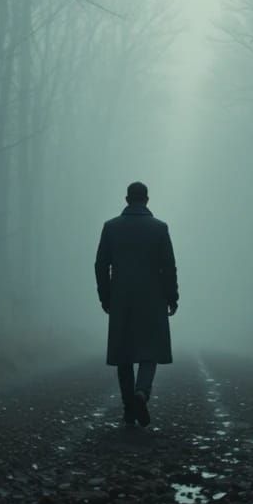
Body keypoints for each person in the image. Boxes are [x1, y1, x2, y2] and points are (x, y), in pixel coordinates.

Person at [94, 181, 179, 427]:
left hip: (122, 298)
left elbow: (101, 265)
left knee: (124, 353)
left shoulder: (111, 228)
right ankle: (141, 393)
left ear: (127, 199)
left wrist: (106, 296)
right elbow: (169, 266)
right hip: (153, 298)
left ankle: (128, 406)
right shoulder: (160, 229)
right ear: (147, 199)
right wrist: (172, 296)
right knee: (148, 351)